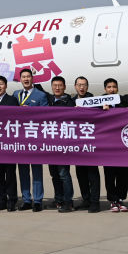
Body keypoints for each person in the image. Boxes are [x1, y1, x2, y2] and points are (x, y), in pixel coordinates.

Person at [102, 77, 128, 213]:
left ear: (117, 88)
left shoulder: (121, 100)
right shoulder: (99, 102)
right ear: (105, 89)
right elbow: (86, 111)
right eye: (109, 87)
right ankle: (113, 200)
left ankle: (121, 198)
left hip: (123, 144)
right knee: (110, 174)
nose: (112, 89)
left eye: (114, 87)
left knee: (123, 173)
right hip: (107, 146)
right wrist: (102, 111)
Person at [15, 68, 48, 212]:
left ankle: (38, 200)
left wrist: (31, 112)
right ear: (20, 79)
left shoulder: (41, 95)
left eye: (28, 76)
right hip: (20, 139)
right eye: (23, 77)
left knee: (37, 171)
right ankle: (26, 199)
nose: (26, 79)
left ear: (32, 78)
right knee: (23, 171)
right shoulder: (16, 95)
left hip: (35, 138)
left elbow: (46, 115)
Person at [71, 76, 100, 212]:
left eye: (84, 85)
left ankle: (95, 202)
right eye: (79, 85)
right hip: (77, 144)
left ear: (87, 87)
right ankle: (86, 199)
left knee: (92, 174)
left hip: (90, 143)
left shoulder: (94, 101)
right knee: (81, 174)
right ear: (75, 86)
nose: (81, 87)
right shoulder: (71, 101)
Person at [46, 76, 75, 213]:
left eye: (60, 85)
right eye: (55, 85)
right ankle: (59, 200)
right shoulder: (49, 100)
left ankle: (68, 202)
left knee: (64, 174)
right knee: (54, 174)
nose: (57, 88)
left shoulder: (69, 102)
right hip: (50, 144)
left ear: (64, 87)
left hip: (63, 144)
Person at [0, 75, 19, 212]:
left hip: (8, 144)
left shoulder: (12, 100)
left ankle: (12, 200)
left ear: (6, 86)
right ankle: (2, 200)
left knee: (10, 175)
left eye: (1, 84)